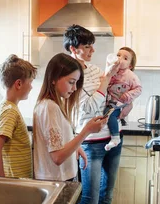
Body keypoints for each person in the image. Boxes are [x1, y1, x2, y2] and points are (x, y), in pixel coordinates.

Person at [64, 24, 122, 204]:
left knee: (106, 198)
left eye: (91, 45)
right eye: (87, 46)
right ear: (74, 49)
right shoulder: (70, 74)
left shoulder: (96, 69)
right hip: (90, 143)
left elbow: (106, 98)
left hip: (112, 139)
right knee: (89, 201)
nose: (92, 50)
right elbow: (85, 109)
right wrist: (106, 79)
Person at [33, 53, 106, 181]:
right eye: (71, 82)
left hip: (58, 178)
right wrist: (87, 130)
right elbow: (57, 157)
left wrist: (75, 147)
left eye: (76, 83)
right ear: (54, 79)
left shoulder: (52, 104)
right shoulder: (49, 107)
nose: (74, 88)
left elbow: (58, 143)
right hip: (56, 180)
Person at [0, 54, 37, 178]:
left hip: (17, 182)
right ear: (19, 84)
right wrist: (3, 183)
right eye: (30, 82)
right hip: (14, 184)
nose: (31, 87)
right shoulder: (10, 111)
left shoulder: (8, 107)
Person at [104, 47, 142, 151]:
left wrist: (128, 96)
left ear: (130, 65)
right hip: (112, 100)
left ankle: (115, 138)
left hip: (121, 102)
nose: (120, 59)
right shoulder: (112, 71)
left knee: (109, 113)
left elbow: (139, 89)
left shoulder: (131, 76)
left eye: (125, 58)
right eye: (118, 55)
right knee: (108, 112)